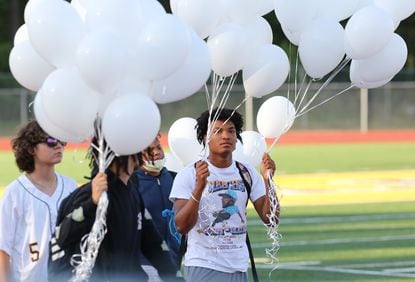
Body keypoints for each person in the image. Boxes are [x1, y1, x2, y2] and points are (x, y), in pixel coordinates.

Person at [169, 108, 279, 282]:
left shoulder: (246, 172)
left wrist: (268, 180)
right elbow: (181, 226)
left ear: (237, 139)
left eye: (231, 131)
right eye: (218, 131)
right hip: (203, 266)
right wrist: (199, 187)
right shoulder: (190, 174)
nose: (226, 136)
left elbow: (271, 219)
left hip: (238, 266)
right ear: (205, 137)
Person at [48, 137, 177, 281]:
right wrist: (92, 204)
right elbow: (61, 238)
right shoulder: (91, 195)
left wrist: (174, 276)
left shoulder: (132, 191)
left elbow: (153, 244)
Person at [0, 121, 77, 282]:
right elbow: (3, 248)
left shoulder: (70, 186)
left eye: (61, 141)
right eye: (50, 141)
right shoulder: (15, 193)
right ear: (31, 149)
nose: (58, 146)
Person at [134, 134, 182, 280]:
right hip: (144, 264)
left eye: (158, 147)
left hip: (174, 262)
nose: (155, 153)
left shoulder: (176, 179)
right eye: (149, 150)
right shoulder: (132, 183)